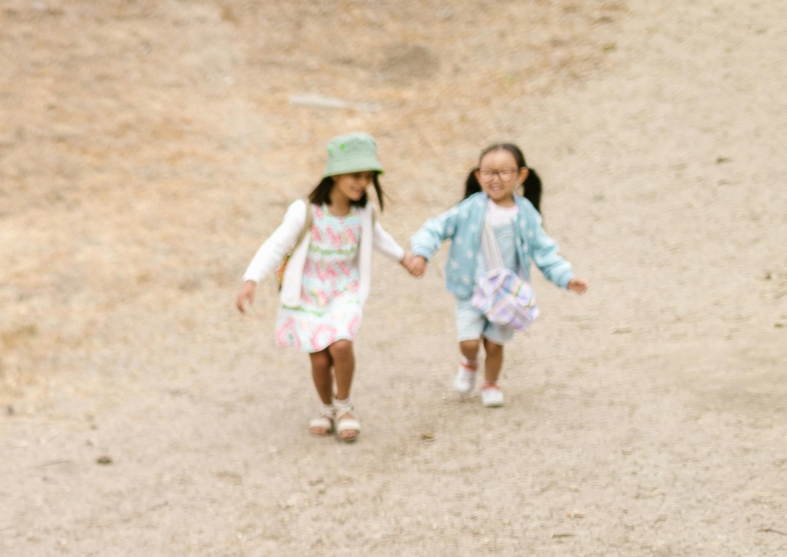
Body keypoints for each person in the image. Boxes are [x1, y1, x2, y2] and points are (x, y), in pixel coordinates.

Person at [236, 133, 418, 442]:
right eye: (355, 175)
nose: (362, 183)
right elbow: (275, 245)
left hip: (344, 291)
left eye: (368, 178)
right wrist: (251, 279)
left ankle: (344, 406)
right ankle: (326, 407)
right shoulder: (305, 212)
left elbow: (380, 238)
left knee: (341, 345)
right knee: (319, 358)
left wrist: (404, 258)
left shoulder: (363, 214)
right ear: (334, 174)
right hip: (309, 294)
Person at [405, 141, 588, 407]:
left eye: (504, 172)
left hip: (506, 294)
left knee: (494, 345)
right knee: (469, 341)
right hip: (470, 289)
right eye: (488, 172)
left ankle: (490, 383)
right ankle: (469, 362)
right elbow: (435, 228)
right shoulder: (469, 208)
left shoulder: (525, 214)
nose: (496, 178)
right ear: (478, 176)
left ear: (520, 175)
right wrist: (421, 253)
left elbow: (544, 252)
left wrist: (567, 277)